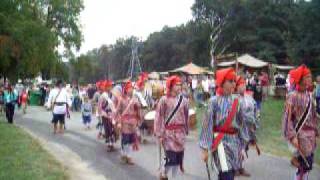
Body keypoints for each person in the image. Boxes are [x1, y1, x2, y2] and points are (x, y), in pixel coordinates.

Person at [199, 68, 248, 180]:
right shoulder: (213, 101)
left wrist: (243, 145)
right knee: (226, 174)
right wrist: (205, 149)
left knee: (229, 174)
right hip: (220, 143)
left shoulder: (238, 100)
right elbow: (207, 125)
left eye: (234, 81)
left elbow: (242, 124)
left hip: (235, 144)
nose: (233, 84)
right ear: (222, 82)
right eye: (230, 81)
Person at [282, 65, 319, 180]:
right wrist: (292, 136)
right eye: (307, 77)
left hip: (311, 136)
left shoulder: (309, 95)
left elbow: (313, 116)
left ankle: (296, 160)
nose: (310, 79)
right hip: (301, 135)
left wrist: (317, 130)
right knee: (306, 165)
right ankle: (296, 159)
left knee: (307, 165)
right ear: (301, 79)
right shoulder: (292, 96)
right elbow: (287, 118)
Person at [154, 75, 189, 180]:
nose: (179, 87)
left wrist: (186, 129)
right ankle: (165, 173)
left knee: (178, 157)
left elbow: (186, 115)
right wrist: (159, 134)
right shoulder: (163, 100)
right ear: (171, 86)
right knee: (171, 157)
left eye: (180, 84)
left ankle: (171, 176)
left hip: (180, 133)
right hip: (168, 134)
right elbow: (159, 117)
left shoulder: (184, 100)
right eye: (176, 85)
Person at [235, 76, 259, 177]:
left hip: (248, 128)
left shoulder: (249, 97)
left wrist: (254, 124)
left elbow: (255, 110)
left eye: (244, 85)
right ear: (236, 87)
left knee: (244, 147)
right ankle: (234, 168)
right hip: (237, 127)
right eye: (241, 85)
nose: (243, 87)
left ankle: (240, 167)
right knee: (236, 147)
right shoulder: (234, 98)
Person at [116, 81, 141, 165]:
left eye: (132, 88)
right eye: (129, 88)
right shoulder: (121, 99)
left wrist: (137, 105)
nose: (131, 90)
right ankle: (126, 154)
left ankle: (128, 156)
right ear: (126, 90)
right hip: (125, 122)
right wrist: (119, 122)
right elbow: (118, 111)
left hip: (133, 122)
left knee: (131, 140)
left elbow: (137, 109)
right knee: (125, 139)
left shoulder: (135, 99)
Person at [99, 80, 117, 152]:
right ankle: (109, 145)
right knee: (107, 130)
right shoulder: (103, 96)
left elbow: (115, 104)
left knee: (112, 129)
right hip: (105, 115)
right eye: (109, 86)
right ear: (106, 87)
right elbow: (100, 107)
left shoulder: (112, 95)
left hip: (112, 115)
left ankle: (112, 144)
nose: (110, 88)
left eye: (111, 86)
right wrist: (104, 114)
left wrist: (115, 113)